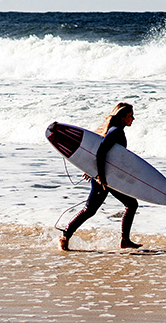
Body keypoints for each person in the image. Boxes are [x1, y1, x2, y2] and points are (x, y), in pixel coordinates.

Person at [59, 102, 141, 251]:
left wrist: (92, 169)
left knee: (90, 210)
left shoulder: (114, 130)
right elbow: (101, 152)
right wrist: (101, 176)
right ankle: (125, 240)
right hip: (106, 178)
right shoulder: (116, 131)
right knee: (131, 204)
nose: (133, 118)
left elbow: (105, 153)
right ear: (122, 117)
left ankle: (66, 236)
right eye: (130, 116)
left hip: (106, 175)